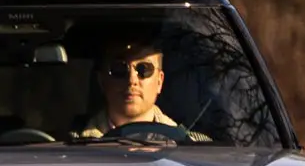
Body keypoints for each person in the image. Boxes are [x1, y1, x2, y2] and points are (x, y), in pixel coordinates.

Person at [78, 34, 208, 140]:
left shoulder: (198, 150)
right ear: (102, 81)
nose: (132, 80)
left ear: (159, 81)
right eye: (119, 69)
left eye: (144, 69)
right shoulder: (66, 151)